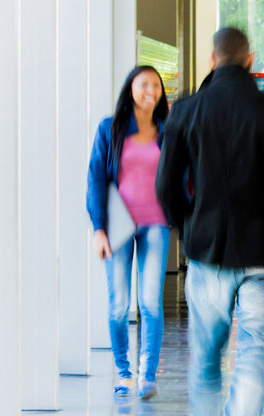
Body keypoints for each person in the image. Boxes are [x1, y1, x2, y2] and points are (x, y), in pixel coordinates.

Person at [155, 26, 264, 416]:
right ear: (250, 59)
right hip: (262, 249)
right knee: (254, 351)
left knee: (208, 350)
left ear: (213, 60)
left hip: (207, 249)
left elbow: (165, 186)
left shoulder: (187, 111)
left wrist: (188, 223)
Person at [87, 65, 170, 399]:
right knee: (119, 304)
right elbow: (95, 178)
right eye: (143, 84)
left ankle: (146, 376)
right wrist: (99, 228)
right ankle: (124, 374)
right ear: (130, 89)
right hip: (119, 226)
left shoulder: (168, 130)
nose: (150, 90)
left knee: (150, 302)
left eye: (156, 85)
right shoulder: (110, 128)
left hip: (155, 224)